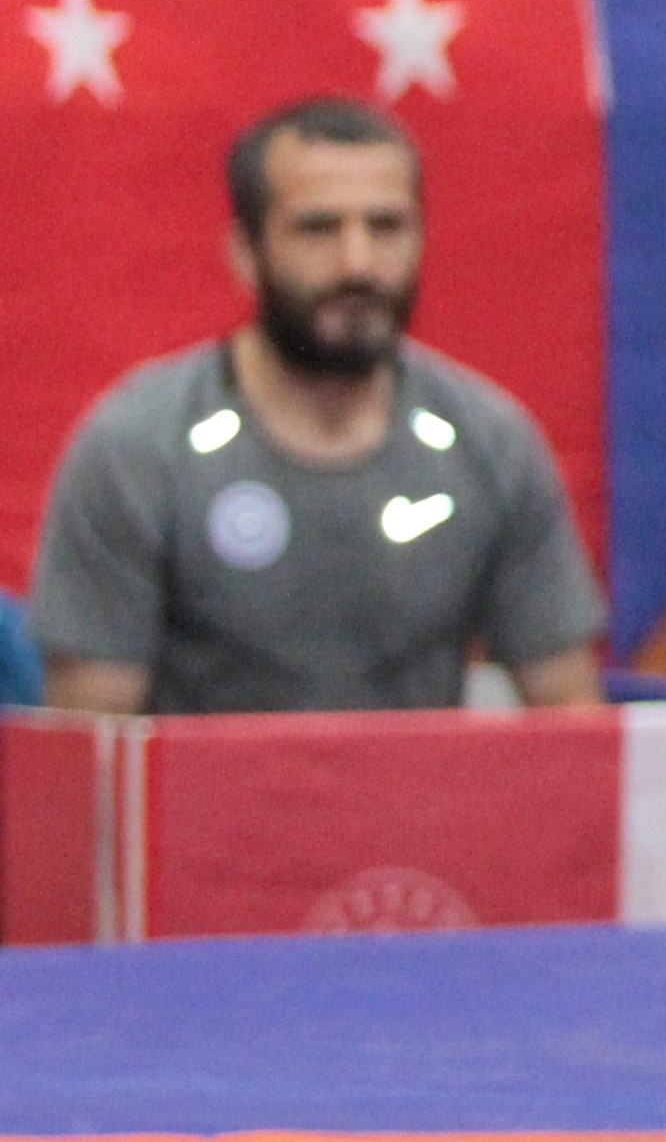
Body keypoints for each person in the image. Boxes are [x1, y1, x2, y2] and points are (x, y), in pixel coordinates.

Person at [25, 101, 604, 716]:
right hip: (206, 785)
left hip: (413, 784)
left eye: (386, 227)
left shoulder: (490, 443)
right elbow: (91, 747)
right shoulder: (137, 448)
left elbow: (569, 716)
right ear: (245, 253)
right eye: (319, 229)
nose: (358, 264)